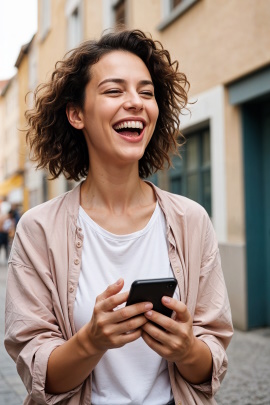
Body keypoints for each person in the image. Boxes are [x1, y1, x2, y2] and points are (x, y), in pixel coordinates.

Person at [4, 29, 233, 405]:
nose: (136, 103)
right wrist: (90, 341)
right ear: (76, 114)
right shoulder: (38, 229)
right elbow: (38, 374)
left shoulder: (191, 220)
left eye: (146, 92)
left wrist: (186, 349)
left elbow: (211, 360)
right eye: (114, 91)